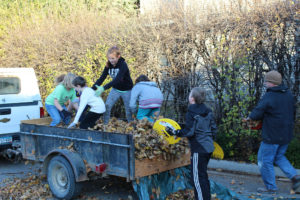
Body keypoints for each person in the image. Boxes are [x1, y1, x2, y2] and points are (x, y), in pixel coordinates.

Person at [246, 70, 300, 193]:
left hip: (272, 135)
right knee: (279, 156)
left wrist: (250, 118)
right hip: (286, 133)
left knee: (264, 160)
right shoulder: (288, 94)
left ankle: (270, 187)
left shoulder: (269, 96)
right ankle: (295, 177)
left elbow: (258, 111)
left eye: (266, 81)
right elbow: (293, 112)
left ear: (272, 83)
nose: (265, 83)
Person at [166, 87, 217, 200]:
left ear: (192, 98)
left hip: (199, 148)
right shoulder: (208, 110)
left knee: (197, 178)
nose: (188, 97)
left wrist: (175, 132)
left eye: (189, 95)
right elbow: (214, 129)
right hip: (208, 147)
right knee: (203, 176)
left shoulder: (191, 111)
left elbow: (189, 131)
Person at [92, 46, 133, 124]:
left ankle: (133, 128)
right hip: (115, 89)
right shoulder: (108, 65)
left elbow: (117, 79)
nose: (111, 61)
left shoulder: (123, 65)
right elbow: (102, 78)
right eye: (109, 58)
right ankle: (105, 125)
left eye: (113, 58)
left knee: (128, 110)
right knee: (107, 106)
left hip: (127, 90)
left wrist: (103, 88)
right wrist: (92, 88)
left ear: (118, 56)